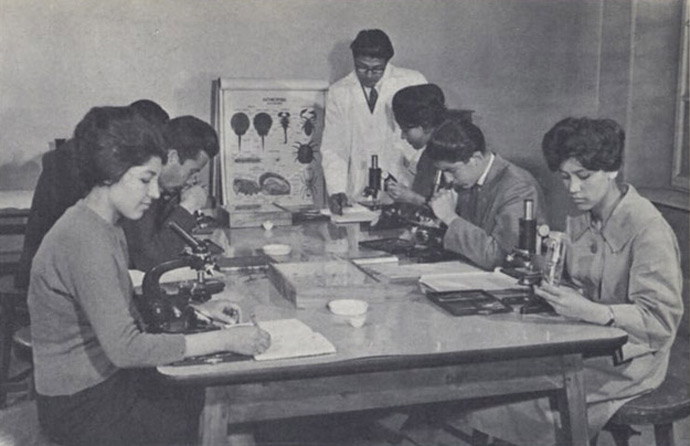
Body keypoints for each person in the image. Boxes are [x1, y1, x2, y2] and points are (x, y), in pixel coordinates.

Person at [28, 106, 270, 446]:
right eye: (145, 179)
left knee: (199, 398)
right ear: (111, 171)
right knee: (200, 416)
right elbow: (127, 348)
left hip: (101, 384)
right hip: (81, 404)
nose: (155, 193)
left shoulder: (101, 224)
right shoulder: (84, 239)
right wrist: (225, 339)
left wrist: (197, 312)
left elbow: (121, 303)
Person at [462, 117, 683, 445]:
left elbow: (660, 320)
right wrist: (548, 267)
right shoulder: (584, 217)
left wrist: (595, 312)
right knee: (497, 373)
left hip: (633, 358)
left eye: (583, 176)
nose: (572, 188)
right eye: (565, 177)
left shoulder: (648, 228)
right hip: (586, 341)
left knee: (520, 393)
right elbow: (579, 281)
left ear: (611, 170)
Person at [15, 99, 170, 288]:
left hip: (50, 274)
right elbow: (144, 253)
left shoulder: (74, 158)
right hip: (45, 283)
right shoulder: (92, 174)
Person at [320, 29, 427, 214]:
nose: (369, 75)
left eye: (377, 69)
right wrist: (337, 190)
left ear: (387, 62)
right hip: (359, 190)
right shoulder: (339, 92)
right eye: (362, 67)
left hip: (405, 187)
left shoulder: (412, 81)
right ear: (354, 59)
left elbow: (426, 136)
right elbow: (333, 147)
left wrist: (414, 177)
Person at [427, 119, 546, 270]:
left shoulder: (518, 187)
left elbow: (498, 257)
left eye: (451, 170)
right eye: (442, 171)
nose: (448, 179)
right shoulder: (469, 180)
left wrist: (450, 217)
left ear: (476, 159)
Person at [121, 115, 217, 272]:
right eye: (191, 172)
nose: (190, 180)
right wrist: (187, 207)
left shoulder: (156, 184)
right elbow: (151, 261)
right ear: (172, 157)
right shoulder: (137, 187)